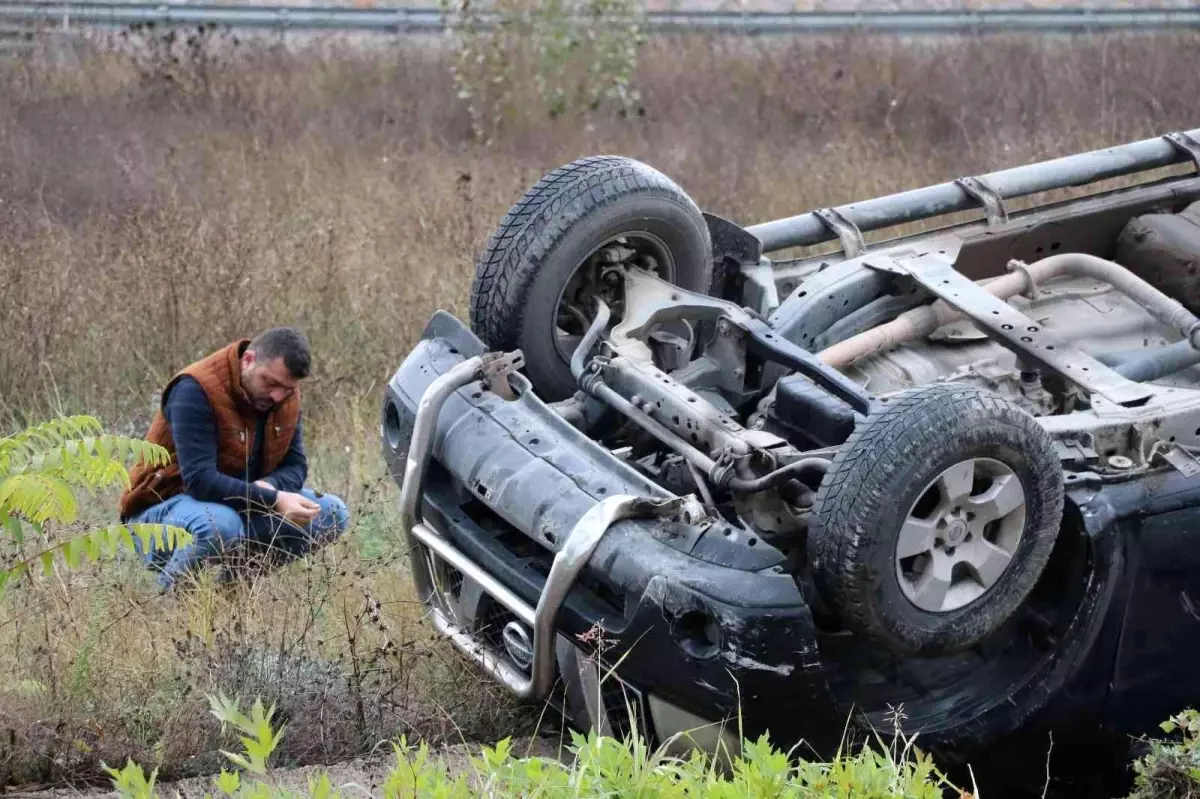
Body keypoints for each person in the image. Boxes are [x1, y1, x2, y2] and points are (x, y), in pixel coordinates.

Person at [118, 327, 350, 590]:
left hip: (235, 507)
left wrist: (270, 486)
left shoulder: (284, 396)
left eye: (287, 389)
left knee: (332, 514)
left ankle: (231, 595)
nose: (277, 396)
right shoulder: (195, 389)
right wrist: (274, 500)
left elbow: (296, 465)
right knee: (220, 525)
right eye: (271, 383)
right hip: (159, 511)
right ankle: (169, 609)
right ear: (248, 360)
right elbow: (200, 481)